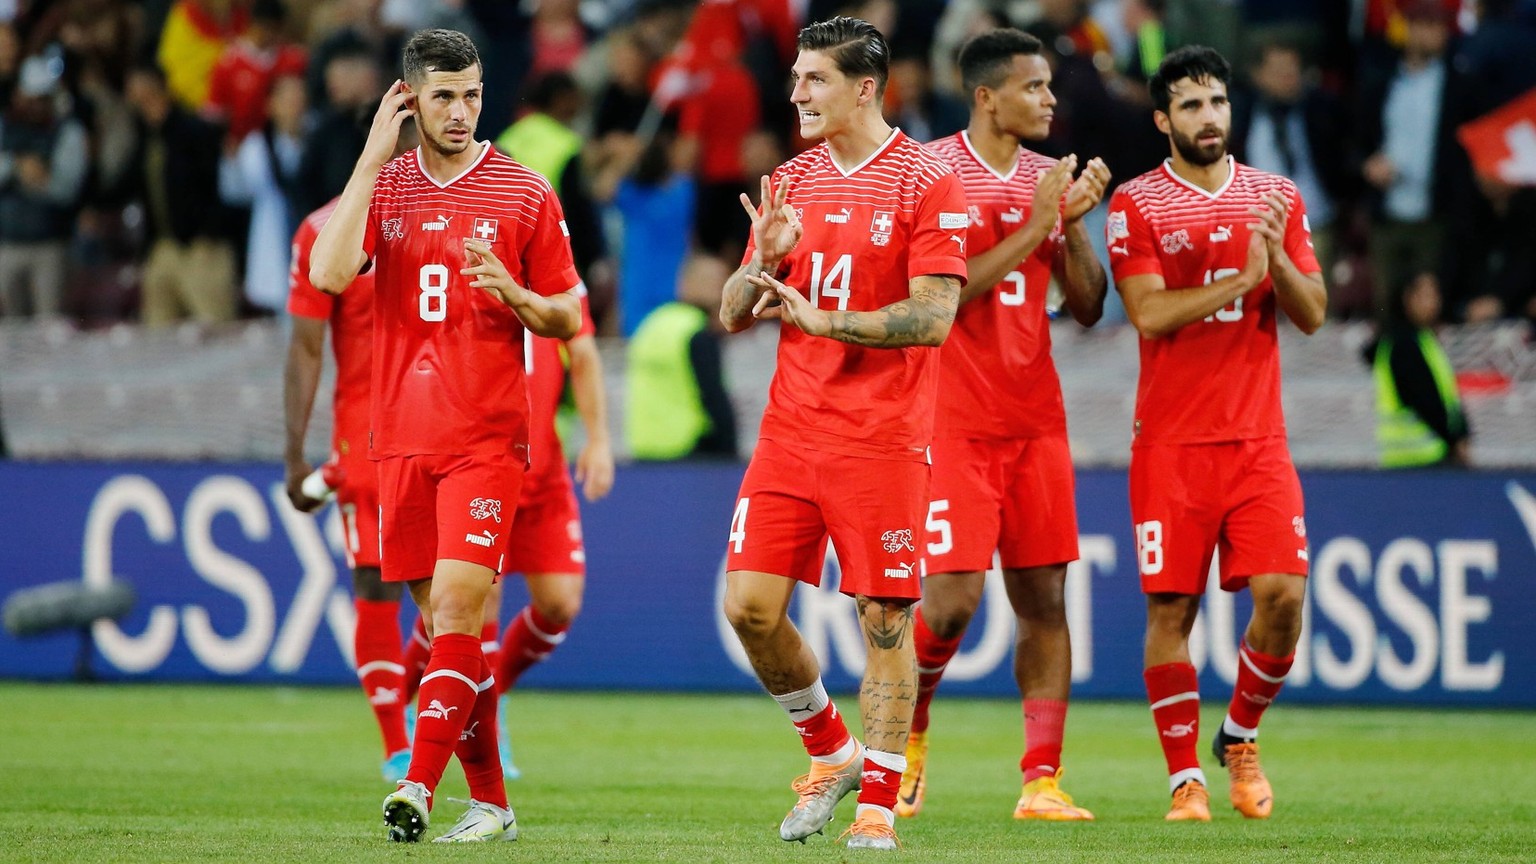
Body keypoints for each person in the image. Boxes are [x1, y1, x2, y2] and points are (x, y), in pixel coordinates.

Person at [308, 28, 583, 844]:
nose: (460, 111)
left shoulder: (524, 192)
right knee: (447, 629)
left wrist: (519, 299)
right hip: (398, 442)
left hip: (487, 439)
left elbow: (568, 311)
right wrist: (368, 159)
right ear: (408, 100)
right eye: (442, 97)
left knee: (463, 604)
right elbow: (327, 273)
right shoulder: (384, 187)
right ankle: (494, 803)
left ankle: (418, 788)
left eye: (471, 94)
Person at [717, 16, 968, 851]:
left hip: (883, 440)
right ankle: (831, 752)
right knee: (748, 608)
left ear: (866, 86)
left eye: (813, 79)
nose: (795, 92)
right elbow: (731, 315)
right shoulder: (791, 179)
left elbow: (933, 318)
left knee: (885, 619)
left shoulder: (926, 181)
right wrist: (762, 259)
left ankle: (875, 813)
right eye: (794, 77)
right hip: (791, 433)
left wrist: (825, 319)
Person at [1106, 45, 1327, 822]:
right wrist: (1240, 279)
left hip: (1257, 442)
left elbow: (1311, 312)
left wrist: (1277, 265)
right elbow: (1149, 313)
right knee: (1172, 613)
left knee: (1284, 598)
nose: (1210, 117)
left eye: (1219, 103)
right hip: (1170, 445)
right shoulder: (1137, 204)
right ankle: (1184, 782)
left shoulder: (1276, 196)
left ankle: (1237, 735)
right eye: (1192, 106)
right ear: (1164, 119)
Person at [903, 27, 1110, 822]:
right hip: (954, 422)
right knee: (951, 603)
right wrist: (1037, 223)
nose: (1051, 99)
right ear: (987, 96)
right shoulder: (933, 173)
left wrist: (1074, 223)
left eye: (1051, 86)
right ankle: (908, 739)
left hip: (1037, 425)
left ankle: (1042, 781)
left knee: (1044, 602)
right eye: (1035, 87)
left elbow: (1089, 307)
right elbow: (945, 298)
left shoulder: (1044, 179)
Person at [399, 285, 615, 779]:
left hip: (542, 473)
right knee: (475, 604)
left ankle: (469, 690)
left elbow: (581, 352)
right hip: (483, 461)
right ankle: (458, 721)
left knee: (559, 603)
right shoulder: (470, 258)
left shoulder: (555, 272)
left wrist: (598, 440)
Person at [626, 253, 739, 460]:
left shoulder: (652, 323)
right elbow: (713, 395)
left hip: (644, 447)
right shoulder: (696, 331)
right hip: (690, 449)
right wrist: (729, 452)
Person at [1369, 271, 1470, 467]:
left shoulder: (1425, 339)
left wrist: (1462, 433)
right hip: (1418, 458)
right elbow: (1424, 399)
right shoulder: (1403, 344)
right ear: (1408, 298)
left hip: (1424, 455)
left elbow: (1449, 396)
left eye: (1435, 295)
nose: (1433, 303)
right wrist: (1454, 440)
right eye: (1425, 296)